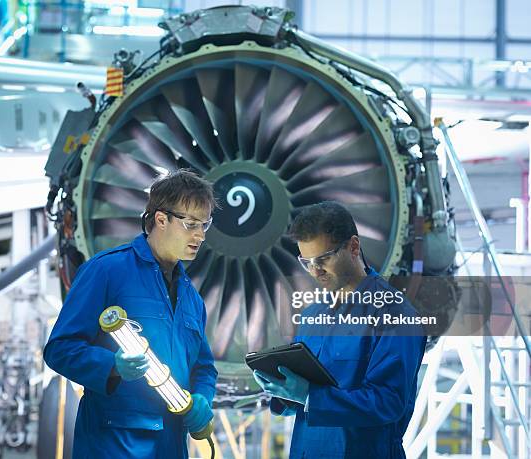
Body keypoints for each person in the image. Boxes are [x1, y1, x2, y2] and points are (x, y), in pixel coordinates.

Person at [44, 169, 218, 459]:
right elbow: (60, 349)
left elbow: (204, 366)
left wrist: (202, 399)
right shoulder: (106, 271)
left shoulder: (192, 299)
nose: (200, 236)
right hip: (113, 445)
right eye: (191, 225)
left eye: (205, 226)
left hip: (171, 447)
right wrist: (112, 366)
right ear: (161, 219)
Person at [253, 201, 426, 459]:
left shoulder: (395, 314)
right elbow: (305, 396)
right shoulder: (312, 315)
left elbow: (388, 402)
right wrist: (283, 390)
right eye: (306, 262)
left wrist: (310, 395)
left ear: (353, 247)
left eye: (323, 259)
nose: (315, 271)